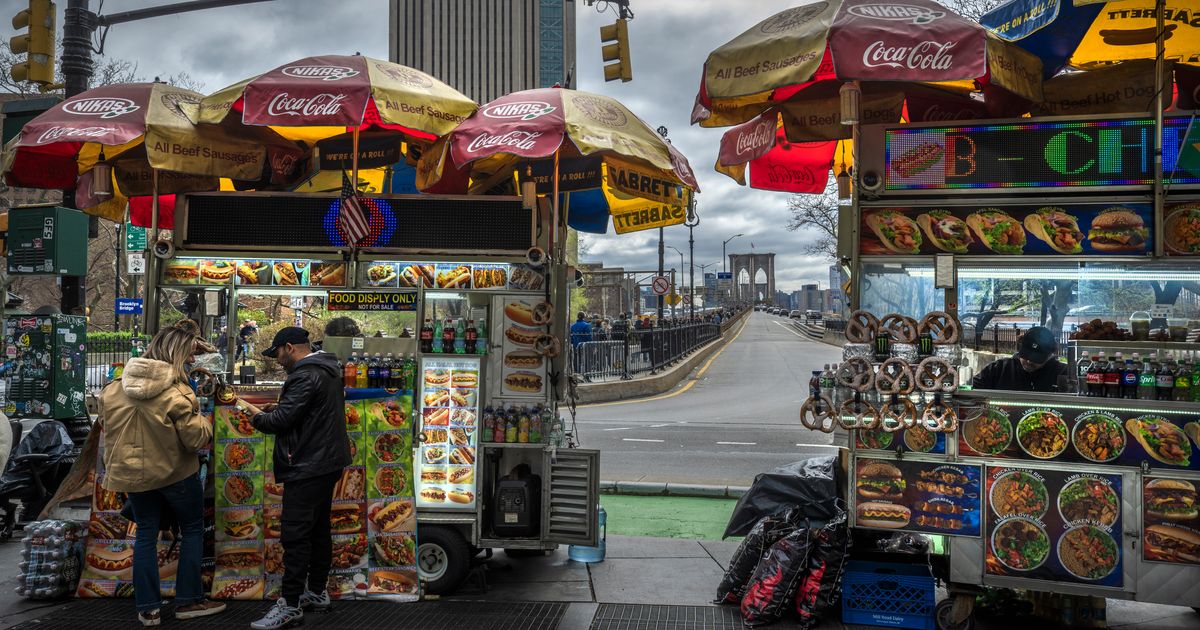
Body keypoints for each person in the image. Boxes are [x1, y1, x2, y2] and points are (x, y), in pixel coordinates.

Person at [98, 327, 225, 626]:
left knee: (145, 534)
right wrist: (206, 422)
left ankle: (148, 608)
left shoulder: (114, 389)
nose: (191, 360)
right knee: (192, 529)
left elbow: (105, 424)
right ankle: (189, 601)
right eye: (189, 355)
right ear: (178, 354)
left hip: (132, 477)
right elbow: (195, 440)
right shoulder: (177, 392)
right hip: (175, 475)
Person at [241, 327, 351, 630]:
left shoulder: (304, 375)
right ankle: (316, 591)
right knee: (318, 529)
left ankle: (289, 605)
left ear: (289, 347)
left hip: (307, 464)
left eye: (277, 353)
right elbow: (307, 414)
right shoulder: (327, 368)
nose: (277, 360)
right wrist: (280, 410)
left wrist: (257, 418)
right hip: (326, 462)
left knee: (295, 534)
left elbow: (281, 422)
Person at [971, 326, 1069, 392]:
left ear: (1050, 355)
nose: (1029, 361)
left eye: (1036, 358)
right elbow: (973, 387)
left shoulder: (1063, 372)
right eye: (1026, 355)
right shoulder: (999, 369)